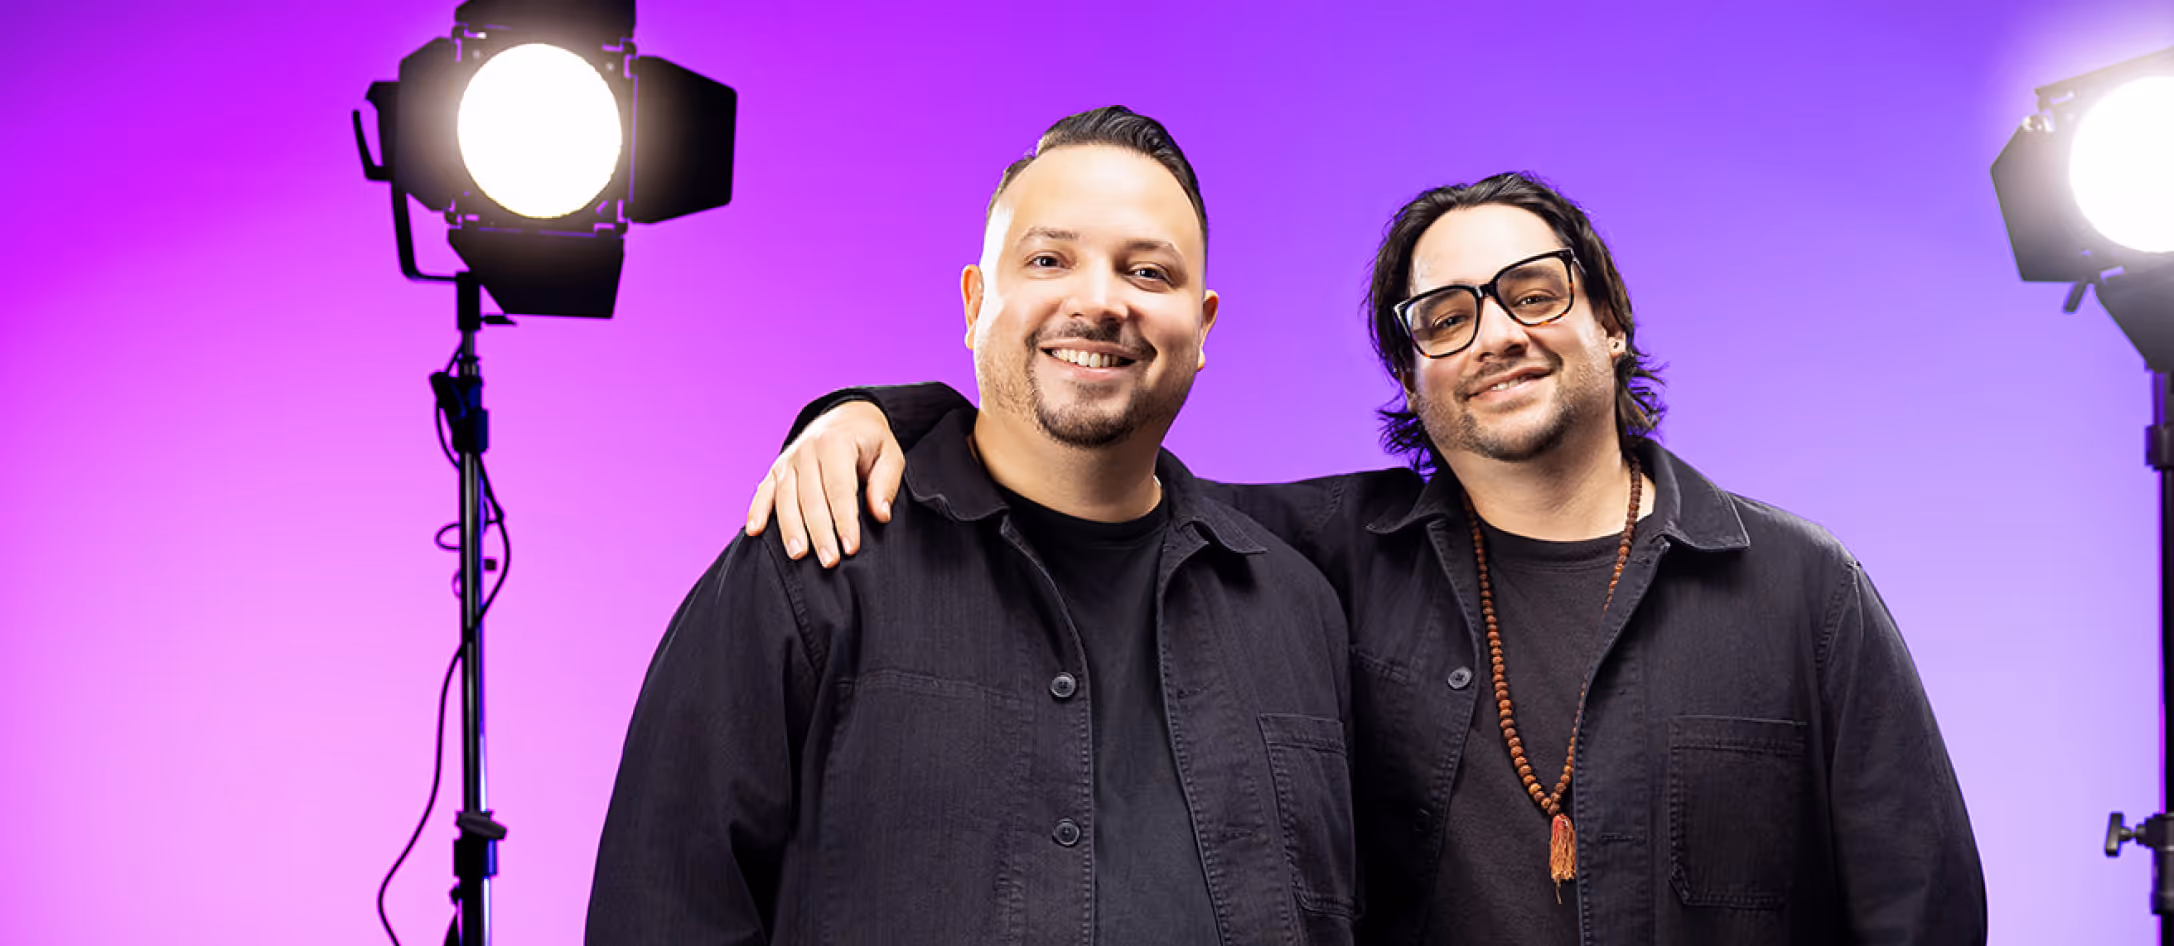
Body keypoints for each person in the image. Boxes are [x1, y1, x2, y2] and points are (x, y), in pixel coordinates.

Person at [754, 172, 1986, 943]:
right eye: (1444, 317)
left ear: (1609, 321)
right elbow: (1089, 466)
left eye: (1534, 292)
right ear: (1411, 375)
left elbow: (1922, 913)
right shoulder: (1317, 561)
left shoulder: (1804, 589)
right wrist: (882, 412)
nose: (1494, 334)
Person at [587, 106, 1355, 946]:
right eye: (1050, 260)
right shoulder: (817, 559)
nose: (1100, 301)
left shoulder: (1299, 612)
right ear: (976, 300)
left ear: (1201, 328)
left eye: (1147, 273)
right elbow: (662, 909)